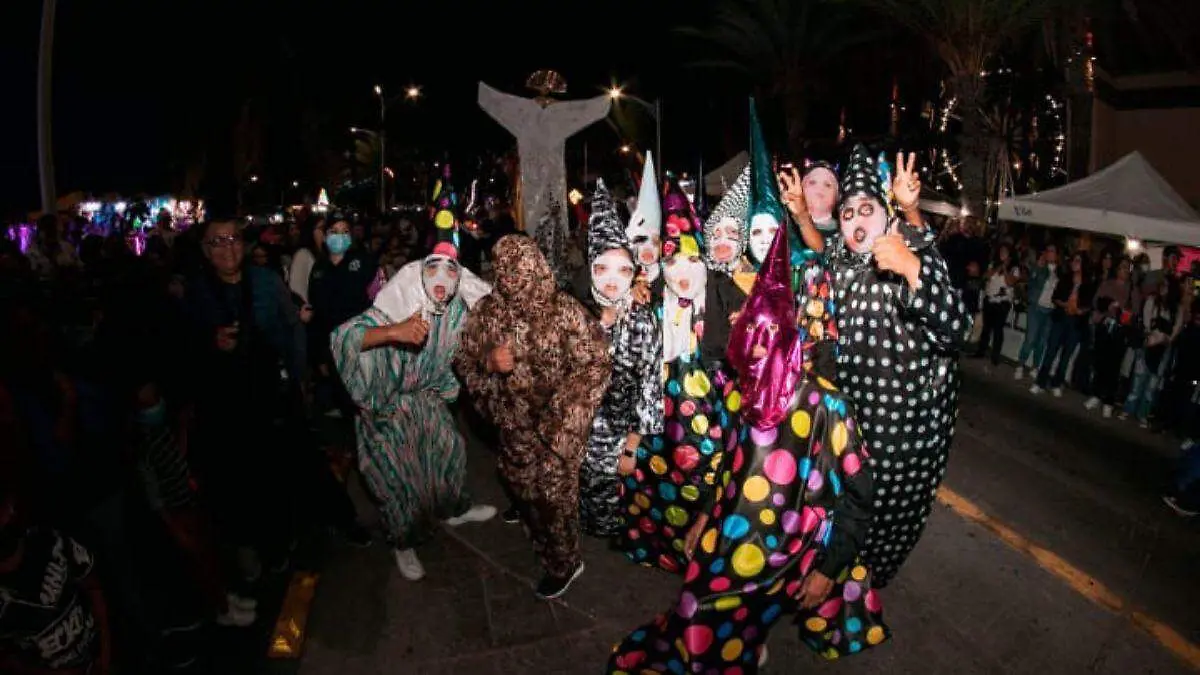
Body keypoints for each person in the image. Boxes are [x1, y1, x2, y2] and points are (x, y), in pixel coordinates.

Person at [605, 222, 882, 675]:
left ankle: (745, 650)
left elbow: (859, 494)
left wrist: (829, 569)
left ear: (788, 341)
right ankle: (745, 651)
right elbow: (732, 467)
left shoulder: (825, 403)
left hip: (787, 552)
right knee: (695, 611)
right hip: (730, 537)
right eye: (749, 335)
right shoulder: (742, 393)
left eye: (766, 337)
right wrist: (704, 515)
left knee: (713, 617)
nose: (755, 349)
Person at [786, 145, 972, 588]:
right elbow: (822, 245)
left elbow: (957, 328)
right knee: (836, 506)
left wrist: (913, 265)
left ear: (886, 216)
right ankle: (831, 581)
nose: (855, 221)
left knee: (881, 519)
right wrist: (800, 216)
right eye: (848, 213)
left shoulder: (906, 253)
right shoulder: (843, 258)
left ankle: (860, 587)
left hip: (898, 431)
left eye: (867, 210)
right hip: (847, 418)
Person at [332, 178, 496, 581]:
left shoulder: (457, 309)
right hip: (387, 408)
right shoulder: (396, 306)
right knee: (396, 479)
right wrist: (394, 332)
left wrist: (489, 355)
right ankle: (402, 542)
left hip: (429, 402)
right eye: (434, 268)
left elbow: (478, 341)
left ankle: (454, 510)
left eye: (451, 271)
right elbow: (344, 337)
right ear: (420, 272)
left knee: (448, 453)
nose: (442, 277)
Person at [456, 235, 611, 599]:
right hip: (512, 427)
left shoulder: (563, 310)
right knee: (525, 491)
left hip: (556, 428)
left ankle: (566, 563)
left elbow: (596, 362)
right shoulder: (487, 311)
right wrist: (488, 363)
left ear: (537, 266)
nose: (512, 276)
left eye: (520, 268)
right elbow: (462, 360)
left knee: (555, 500)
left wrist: (563, 422)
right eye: (505, 268)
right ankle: (542, 539)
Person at [577, 180, 663, 537]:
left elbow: (650, 386)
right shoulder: (573, 316)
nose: (613, 280)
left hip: (616, 439)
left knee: (612, 522)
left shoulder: (643, 320)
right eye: (603, 268)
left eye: (624, 270)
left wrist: (631, 447)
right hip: (574, 438)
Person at [0, 485, 112, 675]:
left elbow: (92, 584)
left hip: (100, 651)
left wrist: (106, 650)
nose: (5, 516)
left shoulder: (49, 540)